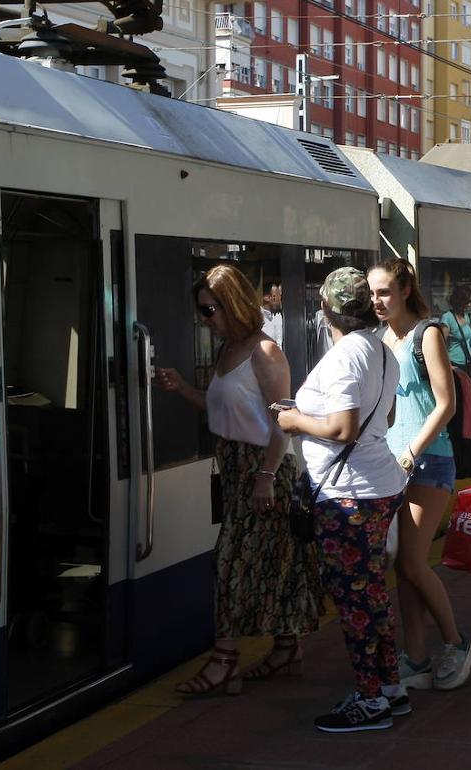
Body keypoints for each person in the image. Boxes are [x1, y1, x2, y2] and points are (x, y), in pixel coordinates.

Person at [154, 265, 322, 697]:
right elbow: (222, 410)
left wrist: (265, 475)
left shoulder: (264, 352)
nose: (204, 319)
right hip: (233, 468)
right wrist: (182, 389)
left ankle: (224, 662)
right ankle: (288, 649)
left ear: (232, 305)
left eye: (209, 310)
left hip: (262, 471)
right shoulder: (228, 349)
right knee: (274, 560)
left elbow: (281, 422)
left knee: (227, 561)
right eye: (201, 312)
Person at [276, 267, 406, 733]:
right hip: (376, 484)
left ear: (326, 309)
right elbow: (384, 416)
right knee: (371, 592)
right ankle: (390, 687)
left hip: (349, 496)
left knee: (354, 599)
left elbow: (343, 427)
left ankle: (370, 701)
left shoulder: (347, 355)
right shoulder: (382, 351)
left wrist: (294, 421)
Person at [367, 259, 471, 692]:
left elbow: (445, 403)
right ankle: (414, 657)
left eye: (385, 292)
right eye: (373, 293)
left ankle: (457, 643)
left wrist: (411, 452)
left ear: (406, 289)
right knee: (404, 566)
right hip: (389, 464)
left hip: (429, 460)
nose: (377, 301)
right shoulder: (378, 340)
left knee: (413, 560)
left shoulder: (427, 334)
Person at [441, 285, 471, 368]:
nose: (470, 305)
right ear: (460, 301)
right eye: (467, 302)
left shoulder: (465, 316)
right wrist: (448, 365)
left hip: (468, 361)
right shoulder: (447, 318)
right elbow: (441, 345)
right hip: (454, 363)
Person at [260, 282, 284, 348]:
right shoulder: (257, 317)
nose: (280, 301)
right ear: (268, 298)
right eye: (277, 296)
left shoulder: (278, 316)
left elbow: (279, 343)